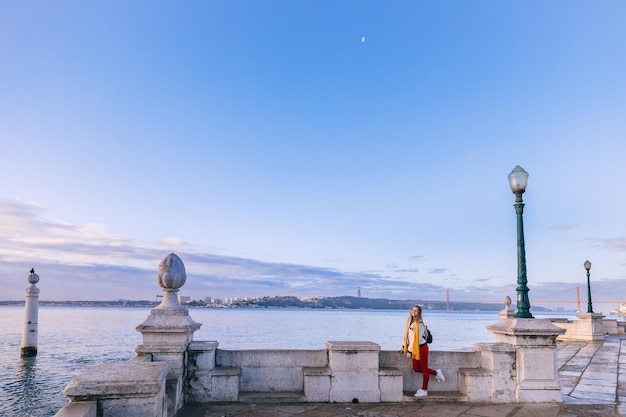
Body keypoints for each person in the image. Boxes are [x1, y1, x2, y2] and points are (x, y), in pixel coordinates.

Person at [401, 305, 445, 397]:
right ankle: (436, 372)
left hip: (421, 348)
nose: (414, 312)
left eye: (416, 311)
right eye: (413, 310)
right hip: (415, 348)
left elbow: (415, 339)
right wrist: (404, 346)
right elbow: (409, 337)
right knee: (416, 368)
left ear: (419, 313)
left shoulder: (419, 324)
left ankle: (424, 390)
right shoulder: (410, 322)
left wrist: (409, 351)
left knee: (424, 369)